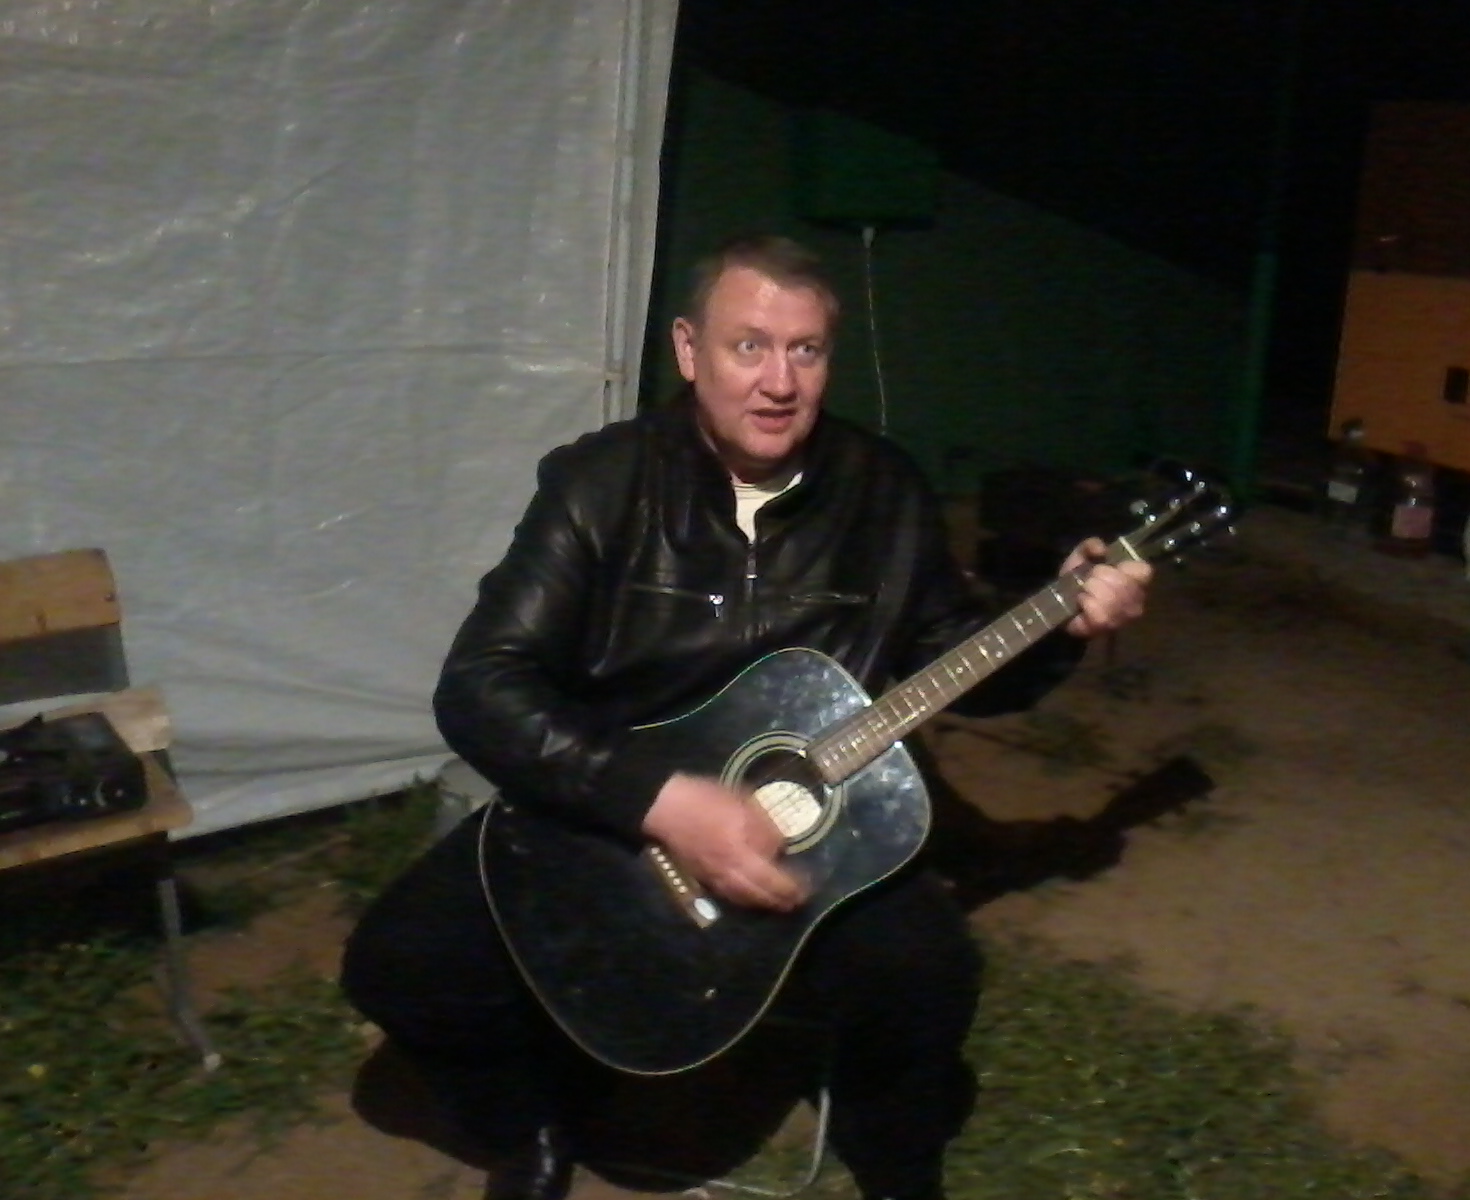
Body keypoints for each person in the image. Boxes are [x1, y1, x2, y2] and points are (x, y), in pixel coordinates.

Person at [341, 234, 1153, 1200]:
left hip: (814, 818)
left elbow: (963, 666)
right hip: (610, 807)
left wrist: (1061, 625)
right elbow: (481, 684)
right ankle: (531, 1129)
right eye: (749, 347)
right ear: (689, 351)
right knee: (399, 965)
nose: (779, 382)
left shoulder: (882, 491)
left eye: (805, 351)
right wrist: (658, 799)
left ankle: (899, 1172)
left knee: (927, 973)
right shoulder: (603, 483)